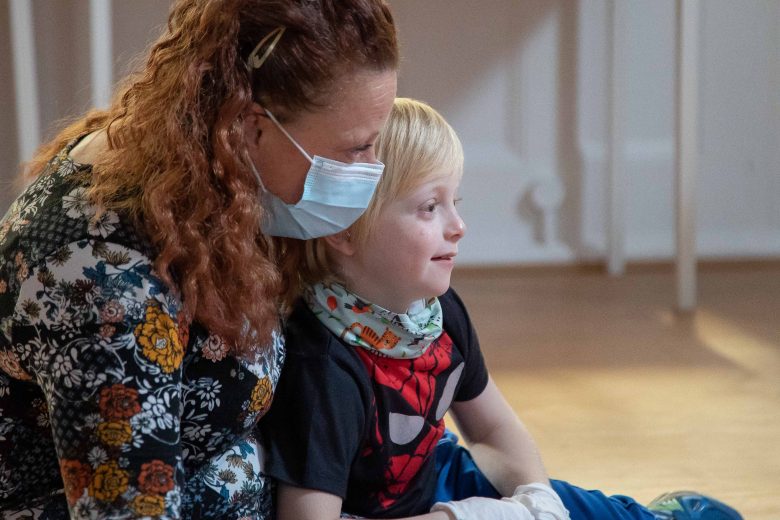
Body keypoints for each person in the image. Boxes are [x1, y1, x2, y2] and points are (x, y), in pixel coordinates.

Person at [0, 0, 397, 518]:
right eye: (355, 149)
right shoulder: (103, 282)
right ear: (251, 125)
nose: (371, 168)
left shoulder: (211, 177)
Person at [260, 98, 744, 520]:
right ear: (345, 229)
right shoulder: (324, 367)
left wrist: (536, 500)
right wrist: (465, 518)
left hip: (442, 478)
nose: (458, 226)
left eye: (456, 201)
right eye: (430, 207)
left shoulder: (438, 312)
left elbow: (491, 427)